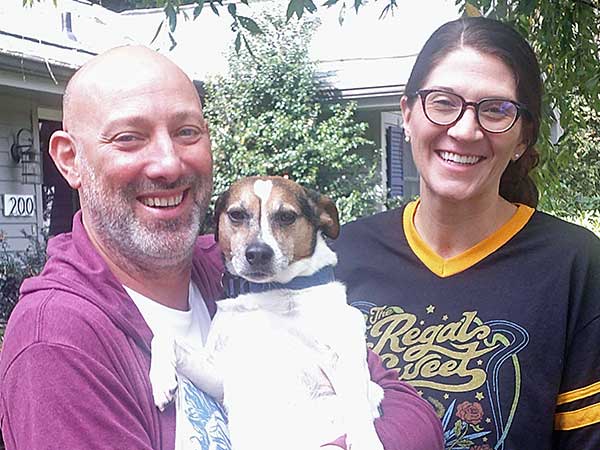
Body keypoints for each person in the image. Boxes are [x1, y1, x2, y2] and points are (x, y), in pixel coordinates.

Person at [0, 46, 443, 450]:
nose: (168, 163)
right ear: (70, 160)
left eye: (186, 131)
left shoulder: (233, 270)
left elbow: (415, 417)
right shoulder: (59, 343)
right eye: (128, 137)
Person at [334, 16, 600, 450]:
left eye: (496, 109)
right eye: (442, 102)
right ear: (407, 114)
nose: (463, 130)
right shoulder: (341, 255)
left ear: (522, 138)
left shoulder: (575, 265)